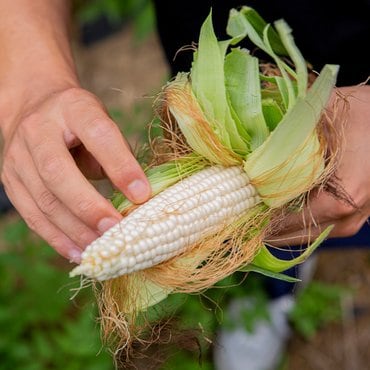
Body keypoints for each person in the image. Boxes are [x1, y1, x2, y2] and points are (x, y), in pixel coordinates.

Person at [0, 0, 369, 368]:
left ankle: (277, 294)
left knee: (331, 220)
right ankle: (269, 295)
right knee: (273, 232)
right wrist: (33, 81)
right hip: (215, 98)